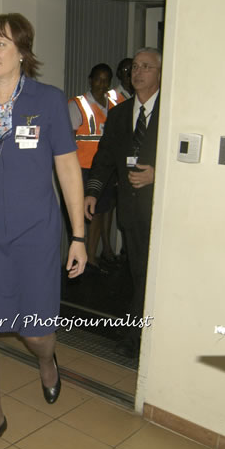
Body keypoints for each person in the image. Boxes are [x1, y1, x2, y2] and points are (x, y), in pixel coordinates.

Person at [0, 13, 86, 449]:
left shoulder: (47, 101)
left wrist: (79, 236)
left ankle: (47, 360)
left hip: (36, 233)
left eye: (1, 43)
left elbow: (67, 168)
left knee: (35, 331)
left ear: (22, 52)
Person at [85, 47, 162, 359]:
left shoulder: (174, 112)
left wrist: (158, 174)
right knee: (138, 272)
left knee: (148, 274)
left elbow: (186, 159)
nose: (138, 72)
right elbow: (103, 159)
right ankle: (138, 333)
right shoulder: (119, 115)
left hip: (161, 210)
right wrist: (91, 191)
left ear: (159, 73)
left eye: (146, 67)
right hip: (130, 212)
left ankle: (137, 336)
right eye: (135, 68)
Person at [68, 63, 119, 269]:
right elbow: (69, 140)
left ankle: (92, 256)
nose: (102, 84)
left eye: (106, 80)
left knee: (100, 212)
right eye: (98, 79)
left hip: (105, 168)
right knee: (82, 213)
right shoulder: (77, 104)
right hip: (83, 168)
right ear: (90, 80)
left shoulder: (115, 103)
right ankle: (82, 256)